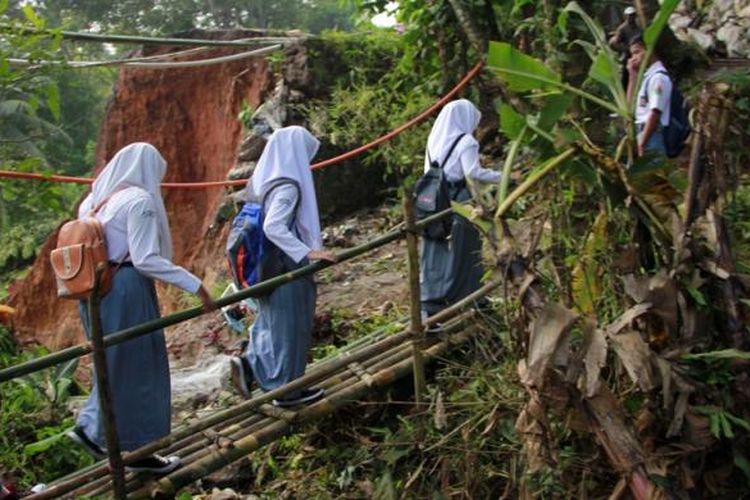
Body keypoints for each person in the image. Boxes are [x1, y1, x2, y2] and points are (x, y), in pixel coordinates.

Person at [66, 143, 215, 474]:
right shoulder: (138, 201)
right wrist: (196, 285)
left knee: (116, 361)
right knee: (141, 366)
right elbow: (146, 259)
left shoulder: (92, 203)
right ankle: (95, 429)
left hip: (92, 293)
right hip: (126, 289)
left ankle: (138, 453)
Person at [229, 126, 337, 407]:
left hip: (266, 265)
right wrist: (308, 252)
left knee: (272, 323)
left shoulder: (265, 179)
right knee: (291, 325)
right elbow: (274, 226)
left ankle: (250, 366)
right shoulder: (288, 184)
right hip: (285, 263)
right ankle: (288, 392)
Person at [420, 99, 501, 321]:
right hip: (458, 203)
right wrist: (503, 177)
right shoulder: (466, 142)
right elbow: (473, 172)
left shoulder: (434, 140)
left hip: (433, 202)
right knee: (466, 251)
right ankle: (469, 297)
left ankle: (431, 301)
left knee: (435, 250)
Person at [627, 34, 673, 156]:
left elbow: (655, 113)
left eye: (637, 52)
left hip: (652, 135)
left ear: (649, 50)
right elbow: (629, 105)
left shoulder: (659, 78)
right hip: (643, 133)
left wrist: (642, 143)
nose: (633, 58)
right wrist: (632, 76)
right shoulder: (648, 77)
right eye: (632, 55)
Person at [608, 7, 641, 91]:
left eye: (633, 15)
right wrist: (625, 49)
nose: (631, 17)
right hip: (627, 56)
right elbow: (614, 43)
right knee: (626, 77)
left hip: (638, 55)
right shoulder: (622, 29)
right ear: (626, 16)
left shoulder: (638, 28)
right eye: (629, 15)